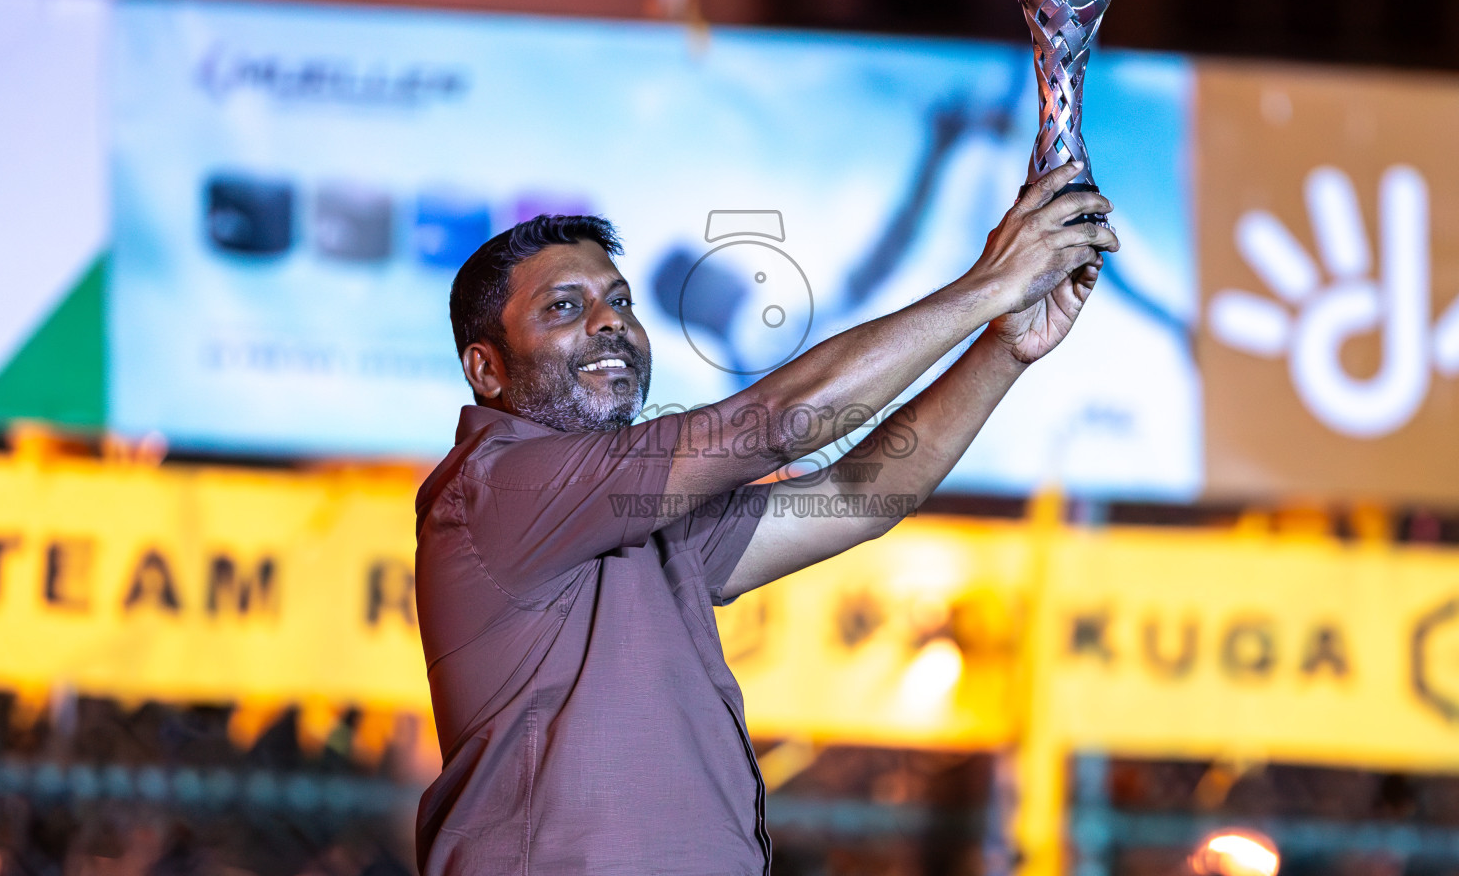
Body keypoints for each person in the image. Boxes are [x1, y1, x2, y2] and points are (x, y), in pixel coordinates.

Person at [413, 161, 1117, 875]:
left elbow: (857, 498)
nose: (610, 322)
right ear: (486, 370)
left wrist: (1004, 345)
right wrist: (989, 284)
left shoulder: (637, 517)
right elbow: (781, 421)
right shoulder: (496, 488)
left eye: (620, 303)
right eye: (564, 307)